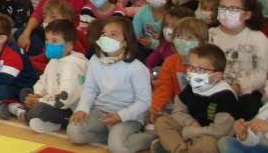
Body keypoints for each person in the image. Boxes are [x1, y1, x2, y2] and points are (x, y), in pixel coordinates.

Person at [68, 17, 152, 153]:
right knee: (74, 131)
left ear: (126, 42)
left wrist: (121, 116)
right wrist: (83, 108)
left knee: (118, 148)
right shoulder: (95, 60)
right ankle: (111, 134)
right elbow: (90, 87)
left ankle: (149, 137)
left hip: (127, 115)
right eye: (104, 34)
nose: (107, 37)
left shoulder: (137, 68)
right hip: (101, 111)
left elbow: (144, 101)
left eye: (113, 34)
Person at [153, 43, 238, 153]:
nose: (192, 73)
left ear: (217, 76)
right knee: (162, 121)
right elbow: (178, 111)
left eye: (201, 70)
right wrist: (190, 122)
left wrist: (191, 132)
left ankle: (173, 145)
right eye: (191, 67)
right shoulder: (193, 86)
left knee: (208, 144)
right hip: (190, 129)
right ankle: (182, 150)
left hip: (211, 136)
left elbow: (219, 131)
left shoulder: (226, 96)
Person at [15, 18, 88, 133]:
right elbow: (43, 81)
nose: (49, 44)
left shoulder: (73, 65)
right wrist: (37, 94)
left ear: (69, 45)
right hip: (49, 101)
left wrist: (40, 101)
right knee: (25, 92)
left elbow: (66, 99)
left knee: (39, 109)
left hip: (68, 108)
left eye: (54, 41)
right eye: (47, 40)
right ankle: (39, 118)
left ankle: (26, 113)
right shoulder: (54, 60)